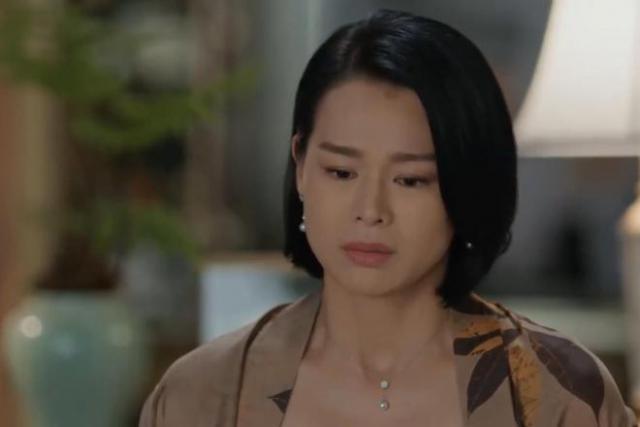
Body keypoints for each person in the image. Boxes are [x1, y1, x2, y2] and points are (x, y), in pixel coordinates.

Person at [139, 9, 637, 426]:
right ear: (301, 166)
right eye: (341, 172)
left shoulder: (556, 394)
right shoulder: (203, 395)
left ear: (466, 184)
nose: (371, 211)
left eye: (411, 180)